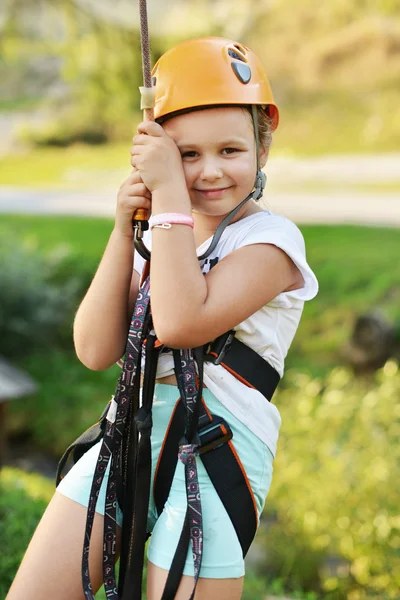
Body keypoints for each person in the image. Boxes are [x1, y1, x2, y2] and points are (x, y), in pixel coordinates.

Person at [7, 37, 318, 600]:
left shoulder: (274, 242)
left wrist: (169, 196)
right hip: (128, 434)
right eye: (187, 155)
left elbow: (179, 323)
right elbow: (96, 349)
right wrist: (125, 227)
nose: (209, 172)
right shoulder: (163, 234)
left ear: (263, 148)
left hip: (218, 458)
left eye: (230, 151)